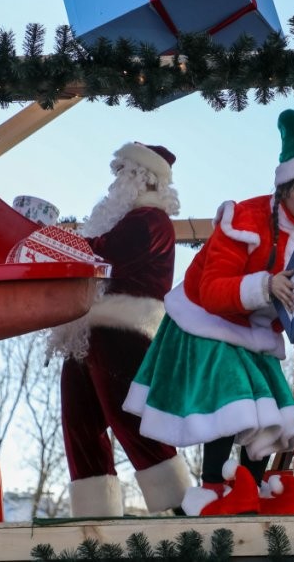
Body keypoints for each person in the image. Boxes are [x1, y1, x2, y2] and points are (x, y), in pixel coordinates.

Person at [123, 109, 294, 516]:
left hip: (254, 332)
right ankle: (216, 488)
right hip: (205, 322)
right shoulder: (244, 220)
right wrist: (265, 285)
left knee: (272, 405)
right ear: (286, 186)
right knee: (233, 397)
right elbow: (212, 290)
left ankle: (250, 487)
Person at [49, 142, 191, 517]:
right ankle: (95, 516)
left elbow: (100, 252)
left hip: (125, 331)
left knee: (130, 420)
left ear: (141, 178)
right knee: (80, 422)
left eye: (122, 173)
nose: (115, 184)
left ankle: (179, 507)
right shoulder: (129, 219)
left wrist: (49, 241)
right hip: (89, 332)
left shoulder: (150, 222)